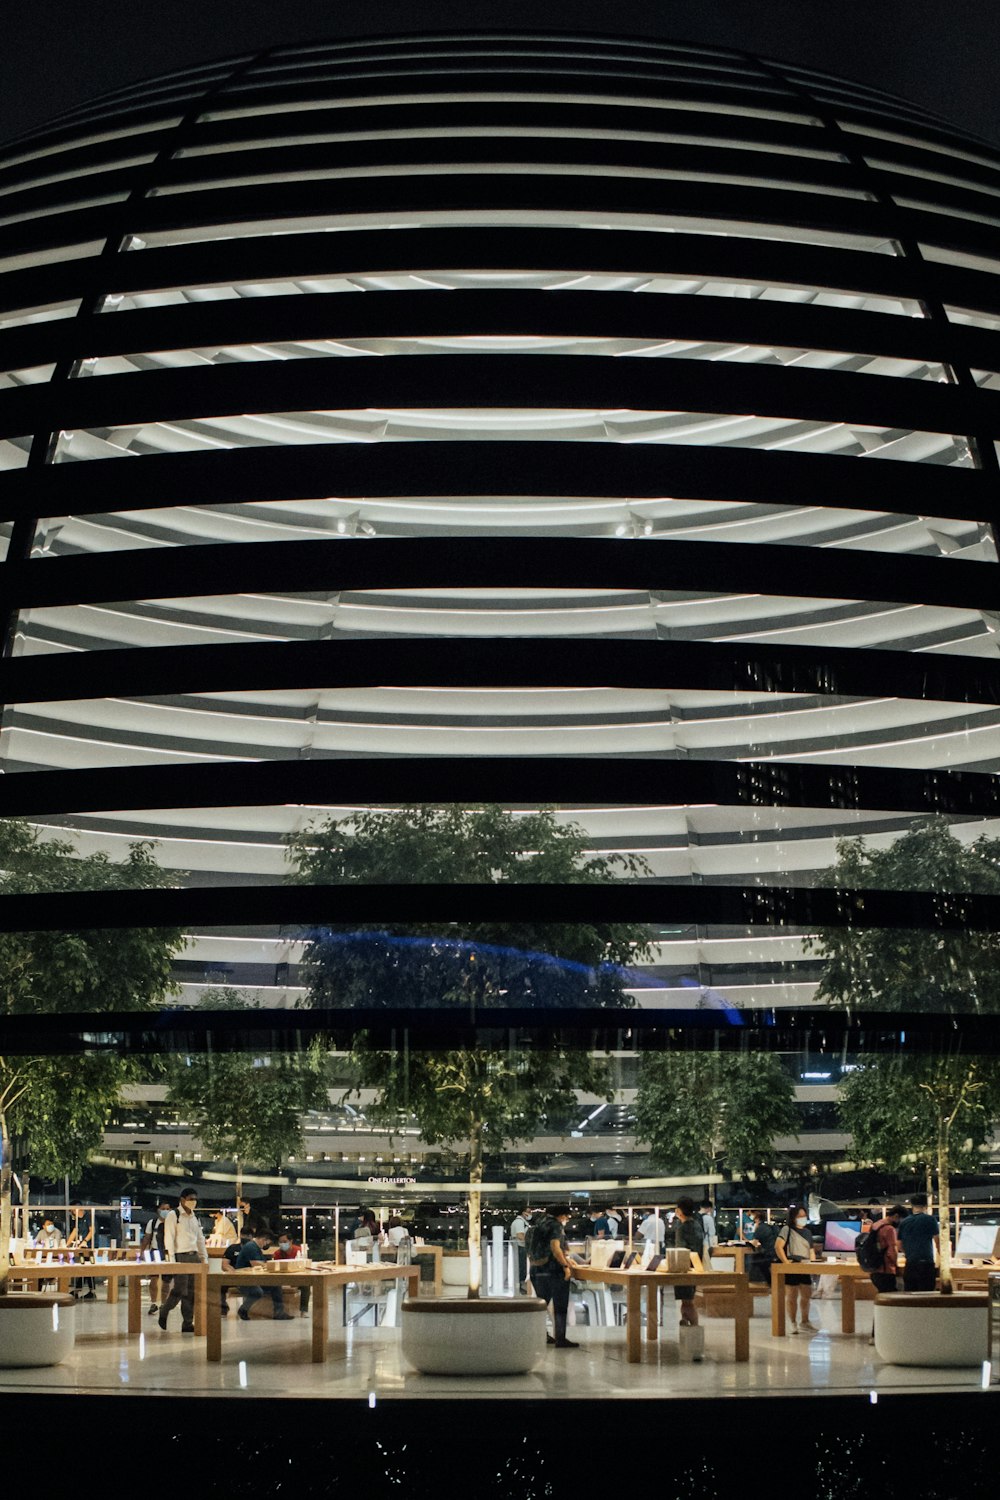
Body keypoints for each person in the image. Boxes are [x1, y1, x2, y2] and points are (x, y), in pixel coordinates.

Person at [526, 1204, 579, 1349]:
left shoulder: (538, 1224)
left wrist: (566, 1257)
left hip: (537, 1269)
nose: (567, 1219)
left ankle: (540, 1335)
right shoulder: (555, 1225)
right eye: (567, 1216)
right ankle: (560, 1339)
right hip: (553, 1270)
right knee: (560, 1306)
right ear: (561, 1215)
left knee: (542, 1305)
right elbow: (555, 1248)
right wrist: (565, 1266)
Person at [159, 1187, 209, 1333]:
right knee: (180, 1289)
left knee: (192, 1291)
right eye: (190, 1199)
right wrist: (172, 1261)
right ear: (182, 1200)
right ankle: (165, 1309)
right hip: (181, 1256)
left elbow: (200, 1239)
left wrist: (204, 1258)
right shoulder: (173, 1215)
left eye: (195, 1199)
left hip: (194, 1257)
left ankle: (187, 1322)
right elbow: (169, 1238)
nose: (193, 1202)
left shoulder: (194, 1217)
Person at [233, 1230, 294, 1321]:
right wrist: (270, 1265)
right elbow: (255, 1263)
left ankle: (279, 1312)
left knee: (276, 1285)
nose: (266, 1245)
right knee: (257, 1291)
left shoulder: (256, 1248)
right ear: (263, 1239)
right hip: (244, 1279)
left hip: (253, 1278)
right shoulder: (251, 1247)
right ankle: (243, 1309)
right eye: (267, 1242)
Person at [775, 1205, 817, 1334]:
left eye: (804, 1216)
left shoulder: (808, 1232)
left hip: (804, 1266)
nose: (802, 1219)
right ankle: (792, 1322)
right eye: (800, 1216)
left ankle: (805, 1321)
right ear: (793, 1217)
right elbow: (778, 1246)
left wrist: (813, 1263)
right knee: (792, 1295)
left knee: (806, 1294)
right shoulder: (787, 1229)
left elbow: (811, 1250)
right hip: (792, 1265)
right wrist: (786, 1263)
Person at [672, 1197, 706, 1327]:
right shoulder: (697, 1225)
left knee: (686, 1301)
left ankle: (693, 1328)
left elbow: (681, 1251)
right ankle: (687, 1322)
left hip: (684, 1269)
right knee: (688, 1300)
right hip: (695, 1267)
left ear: (679, 1211)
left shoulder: (683, 1228)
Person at [898, 1195, 939, 1293]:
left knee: (910, 1296)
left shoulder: (904, 1222)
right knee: (926, 1296)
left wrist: (908, 1252)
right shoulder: (930, 1220)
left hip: (910, 1264)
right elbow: (937, 1241)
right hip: (926, 1263)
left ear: (912, 1206)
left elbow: (899, 1244)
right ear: (926, 1206)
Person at [141, 1197, 174, 1316]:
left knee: (166, 1281)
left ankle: (164, 1304)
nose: (165, 1211)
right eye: (163, 1208)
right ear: (158, 1210)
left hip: (168, 1253)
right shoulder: (152, 1222)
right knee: (153, 1279)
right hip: (154, 1252)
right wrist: (141, 1252)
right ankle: (153, 1303)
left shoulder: (173, 1223)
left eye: (168, 1209)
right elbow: (147, 1238)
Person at [272, 1231, 311, 1315]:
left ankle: (304, 1310)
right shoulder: (277, 1254)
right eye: (280, 1242)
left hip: (296, 1278)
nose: (282, 1244)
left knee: (306, 1285)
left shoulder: (299, 1251)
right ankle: (279, 1310)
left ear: (291, 1241)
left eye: (285, 1242)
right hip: (282, 1279)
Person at [67, 1203, 96, 1300]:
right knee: (84, 1268)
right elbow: (75, 1231)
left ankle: (89, 1291)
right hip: (82, 1248)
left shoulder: (89, 1217)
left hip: (90, 1247)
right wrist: (66, 1245)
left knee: (88, 1268)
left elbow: (92, 1231)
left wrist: (85, 1241)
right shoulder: (78, 1220)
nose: (71, 1212)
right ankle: (79, 1290)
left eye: (72, 1210)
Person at [748, 1209, 779, 1285]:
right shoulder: (768, 1226)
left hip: (769, 1254)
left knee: (757, 1262)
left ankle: (767, 1282)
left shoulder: (760, 1228)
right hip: (776, 1252)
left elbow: (754, 1243)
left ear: (757, 1218)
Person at [509, 1207, 531, 1291]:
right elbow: (520, 1235)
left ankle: (521, 1285)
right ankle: (520, 1285)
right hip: (520, 1247)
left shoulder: (523, 1222)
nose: (530, 1214)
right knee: (521, 1267)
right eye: (528, 1212)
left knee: (522, 1267)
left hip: (521, 1247)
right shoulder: (519, 1222)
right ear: (523, 1212)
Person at [698, 1200, 718, 1271]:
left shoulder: (695, 1217)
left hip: (696, 1244)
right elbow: (712, 1233)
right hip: (705, 1244)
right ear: (709, 1208)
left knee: (697, 1265)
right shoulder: (708, 1218)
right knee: (706, 1266)